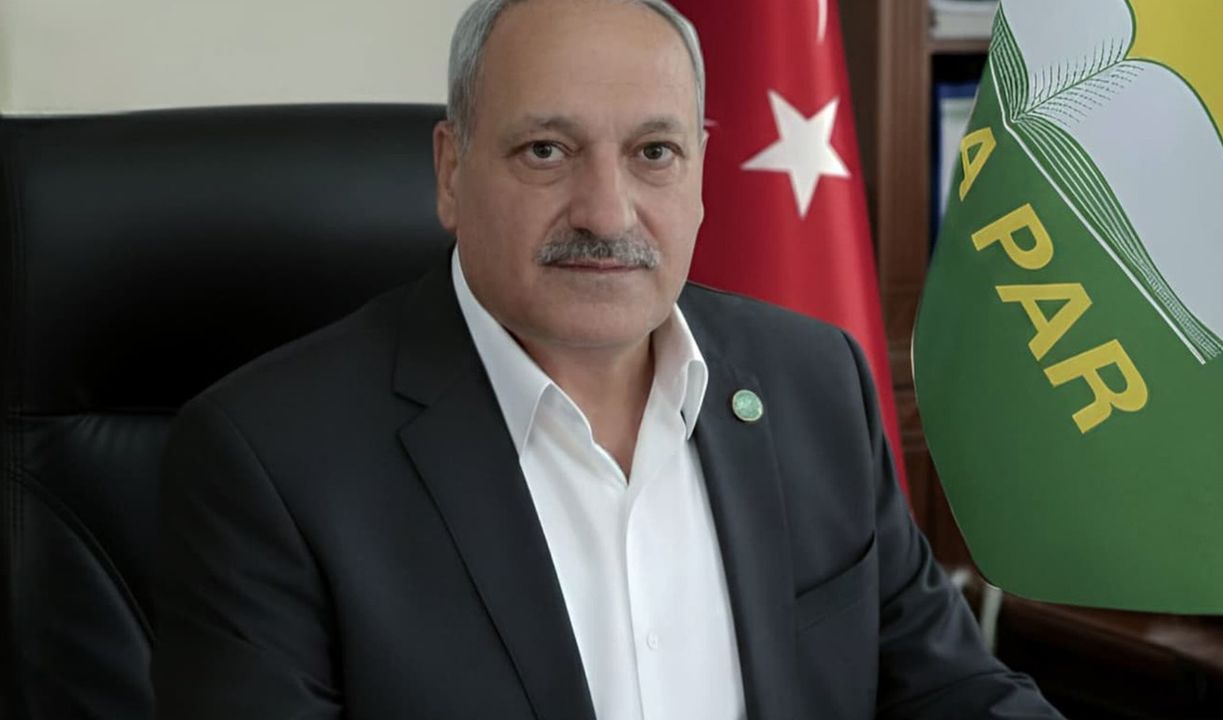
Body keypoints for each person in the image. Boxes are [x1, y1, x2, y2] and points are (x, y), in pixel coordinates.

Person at [152, 0, 1063, 717]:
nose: (607, 212)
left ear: (700, 169)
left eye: (653, 152)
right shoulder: (270, 459)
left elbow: (950, 691)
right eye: (547, 150)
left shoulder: (813, 382)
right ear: (450, 170)